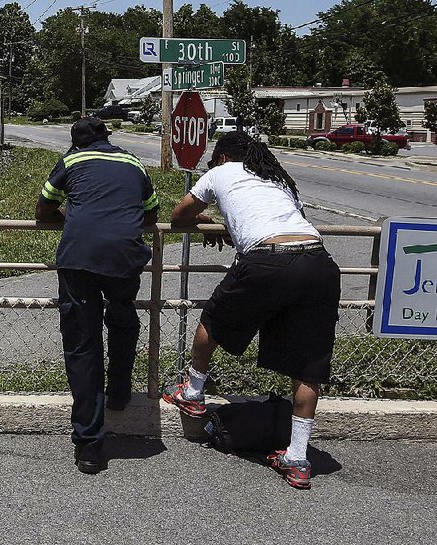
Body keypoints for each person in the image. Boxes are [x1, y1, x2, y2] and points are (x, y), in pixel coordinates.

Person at [163, 131, 341, 489]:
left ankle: (193, 392)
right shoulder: (277, 179)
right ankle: (298, 458)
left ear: (223, 158)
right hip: (319, 262)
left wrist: (209, 223)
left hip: (266, 260)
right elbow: (284, 220)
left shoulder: (220, 172)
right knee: (309, 363)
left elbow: (179, 216)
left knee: (213, 319)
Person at [35, 117, 159, 474]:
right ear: (108, 137)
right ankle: (119, 392)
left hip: (80, 258)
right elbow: (151, 213)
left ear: (76, 143)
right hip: (124, 257)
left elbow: (43, 209)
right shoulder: (133, 162)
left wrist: (75, 215)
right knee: (122, 319)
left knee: (82, 345)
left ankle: (90, 445)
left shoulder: (71, 161)